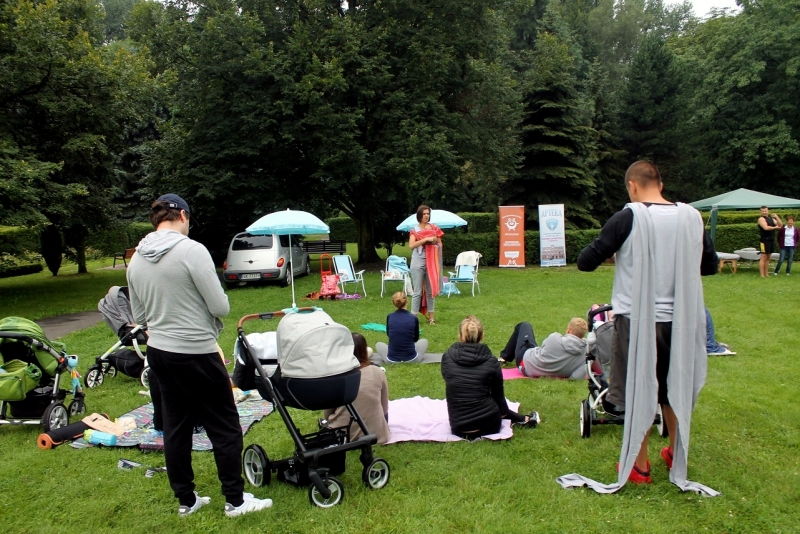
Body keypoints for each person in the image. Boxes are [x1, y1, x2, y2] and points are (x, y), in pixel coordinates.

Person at [561, 161, 719, 496]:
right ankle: (677, 453)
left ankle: (640, 465)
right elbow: (709, 265)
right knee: (674, 387)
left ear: (632, 186)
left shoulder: (628, 217)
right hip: (682, 319)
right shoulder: (691, 217)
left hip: (637, 320)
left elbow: (585, 261)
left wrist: (619, 252)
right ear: (659, 184)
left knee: (639, 389)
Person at [127, 194, 273, 518]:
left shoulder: (136, 258)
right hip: (195, 351)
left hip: (160, 353)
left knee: (176, 426)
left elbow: (139, 313)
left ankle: (187, 500)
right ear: (182, 215)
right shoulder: (192, 250)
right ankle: (235, 501)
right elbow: (220, 306)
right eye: (189, 219)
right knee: (224, 425)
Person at [441, 315, 540, 439]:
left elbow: (452, 383)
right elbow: (499, 400)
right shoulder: (491, 362)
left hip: (459, 427)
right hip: (488, 425)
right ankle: (523, 420)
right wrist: (521, 418)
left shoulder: (447, 358)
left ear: (460, 336)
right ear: (482, 336)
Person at [323, 333, 391, 444]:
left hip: (343, 433)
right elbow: (384, 408)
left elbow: (327, 413)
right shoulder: (377, 371)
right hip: (376, 434)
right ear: (365, 351)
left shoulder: (336, 376)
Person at [498, 318, 589, 379]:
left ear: (568, 330)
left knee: (524, 325)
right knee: (532, 344)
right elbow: (575, 377)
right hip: (535, 360)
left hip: (526, 365)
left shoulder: (555, 338)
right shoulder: (585, 351)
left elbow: (542, 348)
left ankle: (504, 357)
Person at [409, 205, 444, 325]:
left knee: (431, 291)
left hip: (431, 262)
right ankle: (414, 319)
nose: (426, 216)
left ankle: (432, 317)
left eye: (428, 213)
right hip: (417, 261)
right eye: (424, 214)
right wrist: (425, 240)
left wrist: (434, 244)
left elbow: (440, 244)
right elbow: (411, 245)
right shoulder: (415, 230)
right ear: (419, 215)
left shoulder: (434, 228)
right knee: (417, 291)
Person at [373, 292, 429, 364]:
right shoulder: (413, 318)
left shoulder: (390, 316)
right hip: (412, 359)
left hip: (391, 360)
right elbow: (415, 339)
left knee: (379, 344)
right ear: (407, 301)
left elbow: (389, 335)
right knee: (424, 341)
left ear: (394, 303)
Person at [758, 206, 782, 278]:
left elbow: (780, 225)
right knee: (763, 256)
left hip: (771, 239)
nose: (764, 212)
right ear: (761, 212)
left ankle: (766, 274)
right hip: (764, 240)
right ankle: (762, 275)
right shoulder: (761, 219)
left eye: (765, 211)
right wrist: (775, 227)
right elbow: (766, 228)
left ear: (768, 211)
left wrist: (777, 217)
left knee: (768, 256)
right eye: (763, 211)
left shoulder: (771, 219)